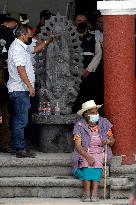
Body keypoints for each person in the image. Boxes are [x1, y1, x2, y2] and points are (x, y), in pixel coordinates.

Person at [7, 24, 53, 158]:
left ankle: (18, 146)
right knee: (21, 121)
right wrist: (30, 86)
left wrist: (48, 41)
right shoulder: (17, 48)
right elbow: (20, 69)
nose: (30, 37)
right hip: (20, 89)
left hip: (21, 89)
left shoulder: (22, 46)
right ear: (22, 35)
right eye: (29, 34)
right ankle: (20, 149)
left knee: (19, 119)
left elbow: (35, 49)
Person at [71, 100, 115, 202]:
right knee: (86, 163)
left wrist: (108, 141)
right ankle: (87, 192)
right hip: (84, 151)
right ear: (86, 114)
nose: (96, 115)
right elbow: (78, 145)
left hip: (100, 151)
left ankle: (94, 193)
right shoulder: (79, 125)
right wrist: (87, 156)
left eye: (97, 112)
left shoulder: (104, 123)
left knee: (97, 162)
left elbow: (113, 141)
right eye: (92, 113)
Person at [73, 14, 103, 113]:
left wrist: (89, 69)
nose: (82, 23)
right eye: (79, 21)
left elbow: (98, 54)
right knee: (76, 98)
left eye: (84, 21)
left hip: (91, 72)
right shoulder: (70, 36)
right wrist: (78, 69)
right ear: (74, 22)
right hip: (74, 72)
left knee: (91, 98)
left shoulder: (94, 35)